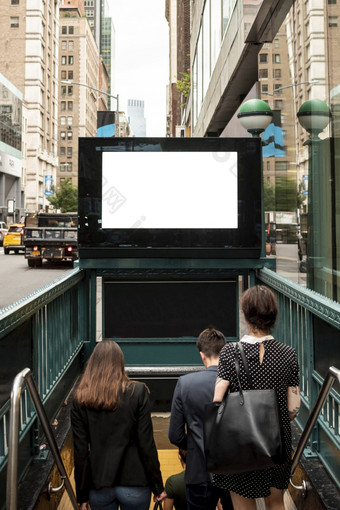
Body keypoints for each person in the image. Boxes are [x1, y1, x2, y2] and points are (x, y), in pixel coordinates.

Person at [213, 285, 301, 510]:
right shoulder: (288, 354)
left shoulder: (229, 352)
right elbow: (293, 409)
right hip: (276, 442)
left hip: (242, 443)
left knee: (243, 504)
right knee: (276, 503)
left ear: (244, 315)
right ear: (273, 316)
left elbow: (218, 400)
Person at [71, 340, 166, 510]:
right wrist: (158, 486)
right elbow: (147, 444)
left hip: (99, 485)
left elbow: (81, 452)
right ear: (120, 364)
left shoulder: (80, 399)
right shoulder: (137, 393)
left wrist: (82, 495)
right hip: (135, 484)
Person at [168, 327, 233, 510]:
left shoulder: (185, 383)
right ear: (224, 352)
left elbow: (175, 435)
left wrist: (196, 442)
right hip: (232, 468)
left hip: (198, 471)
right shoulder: (236, 382)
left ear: (202, 355)